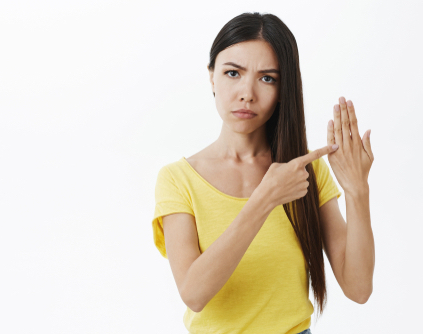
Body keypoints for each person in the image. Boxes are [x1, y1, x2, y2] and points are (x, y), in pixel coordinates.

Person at [151, 12, 375, 334]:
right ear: (211, 76)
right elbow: (194, 293)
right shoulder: (178, 179)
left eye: (267, 78)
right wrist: (265, 198)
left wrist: (357, 191)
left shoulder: (305, 171)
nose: (247, 93)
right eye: (232, 73)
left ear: (284, 89)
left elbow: (358, 288)